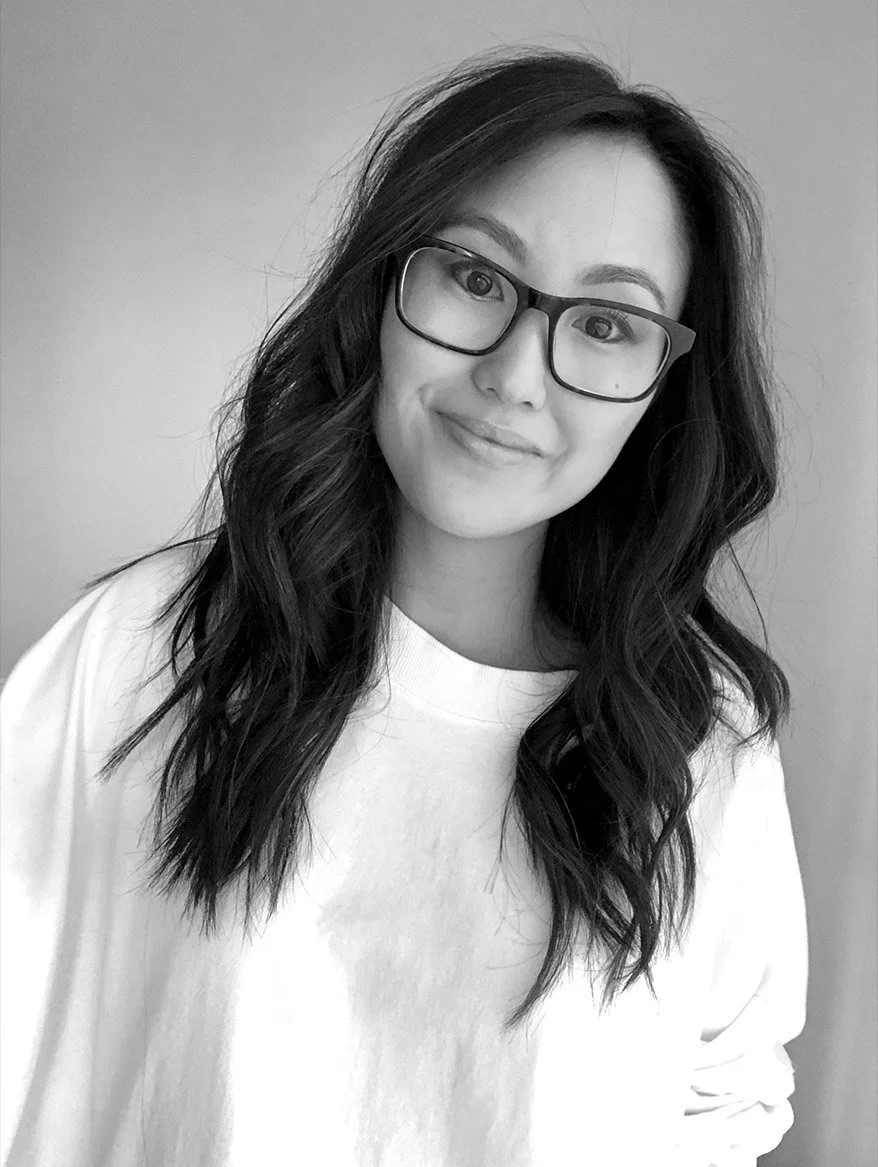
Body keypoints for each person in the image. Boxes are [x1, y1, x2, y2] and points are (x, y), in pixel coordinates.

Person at [0, 46, 808, 1167]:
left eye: (606, 324)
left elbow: (726, 1101)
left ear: (662, 391)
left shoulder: (702, 737)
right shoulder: (140, 653)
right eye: (475, 277)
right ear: (383, 288)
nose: (515, 375)